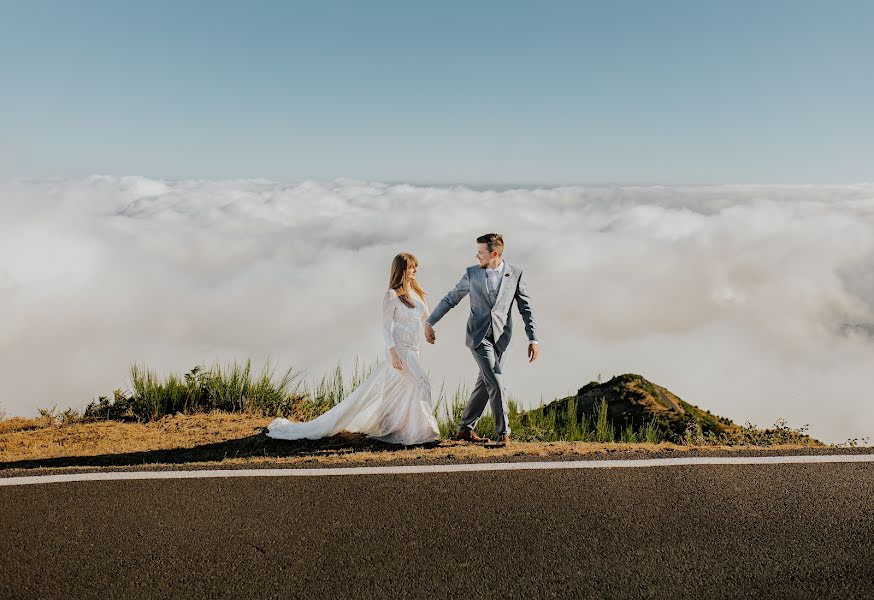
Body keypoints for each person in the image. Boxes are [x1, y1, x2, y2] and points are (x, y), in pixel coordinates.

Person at [265, 252, 440, 446]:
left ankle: (405, 429)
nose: (415, 270)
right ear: (401, 270)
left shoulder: (416, 292)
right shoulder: (391, 296)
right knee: (422, 382)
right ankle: (426, 431)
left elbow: (424, 316)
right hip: (400, 350)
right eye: (411, 267)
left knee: (403, 390)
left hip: (414, 348)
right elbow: (385, 327)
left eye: (416, 266)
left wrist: (428, 330)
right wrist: (393, 354)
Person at [425, 233, 539, 447]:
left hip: (502, 339)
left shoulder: (516, 273)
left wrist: (533, 339)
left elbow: (526, 308)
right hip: (478, 337)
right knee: (495, 380)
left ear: (494, 253)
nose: (476, 256)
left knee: (484, 385)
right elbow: (451, 298)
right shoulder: (471, 273)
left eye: (480, 252)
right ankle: (504, 433)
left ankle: (465, 430)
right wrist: (430, 322)